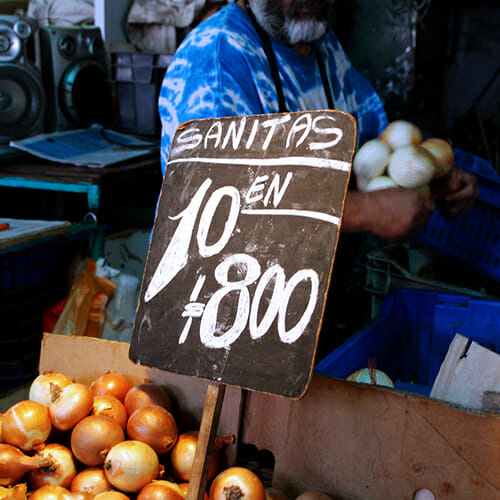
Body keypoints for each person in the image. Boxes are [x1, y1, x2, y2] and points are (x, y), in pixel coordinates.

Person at [157, 0, 479, 353]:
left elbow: (375, 149)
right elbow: (219, 204)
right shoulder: (218, 59)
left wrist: (430, 172)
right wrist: (366, 210)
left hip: (302, 313)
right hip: (223, 326)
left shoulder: (325, 51)